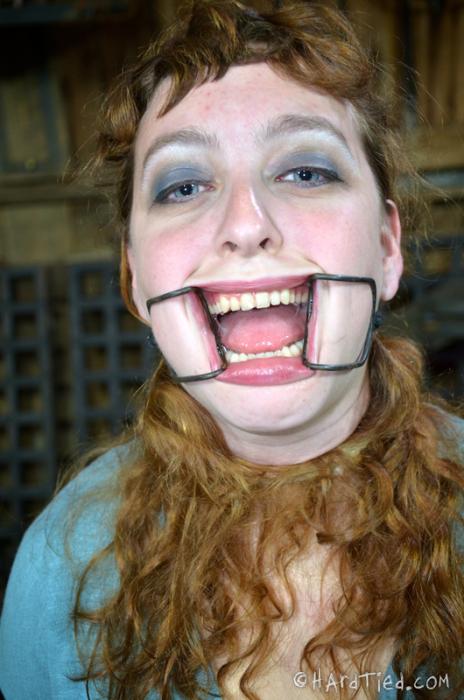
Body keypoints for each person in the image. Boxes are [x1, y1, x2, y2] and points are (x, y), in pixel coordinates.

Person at [0, 1, 463, 699]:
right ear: (135, 277)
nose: (246, 225)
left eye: (306, 172)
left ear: (387, 248)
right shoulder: (60, 569)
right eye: (183, 185)